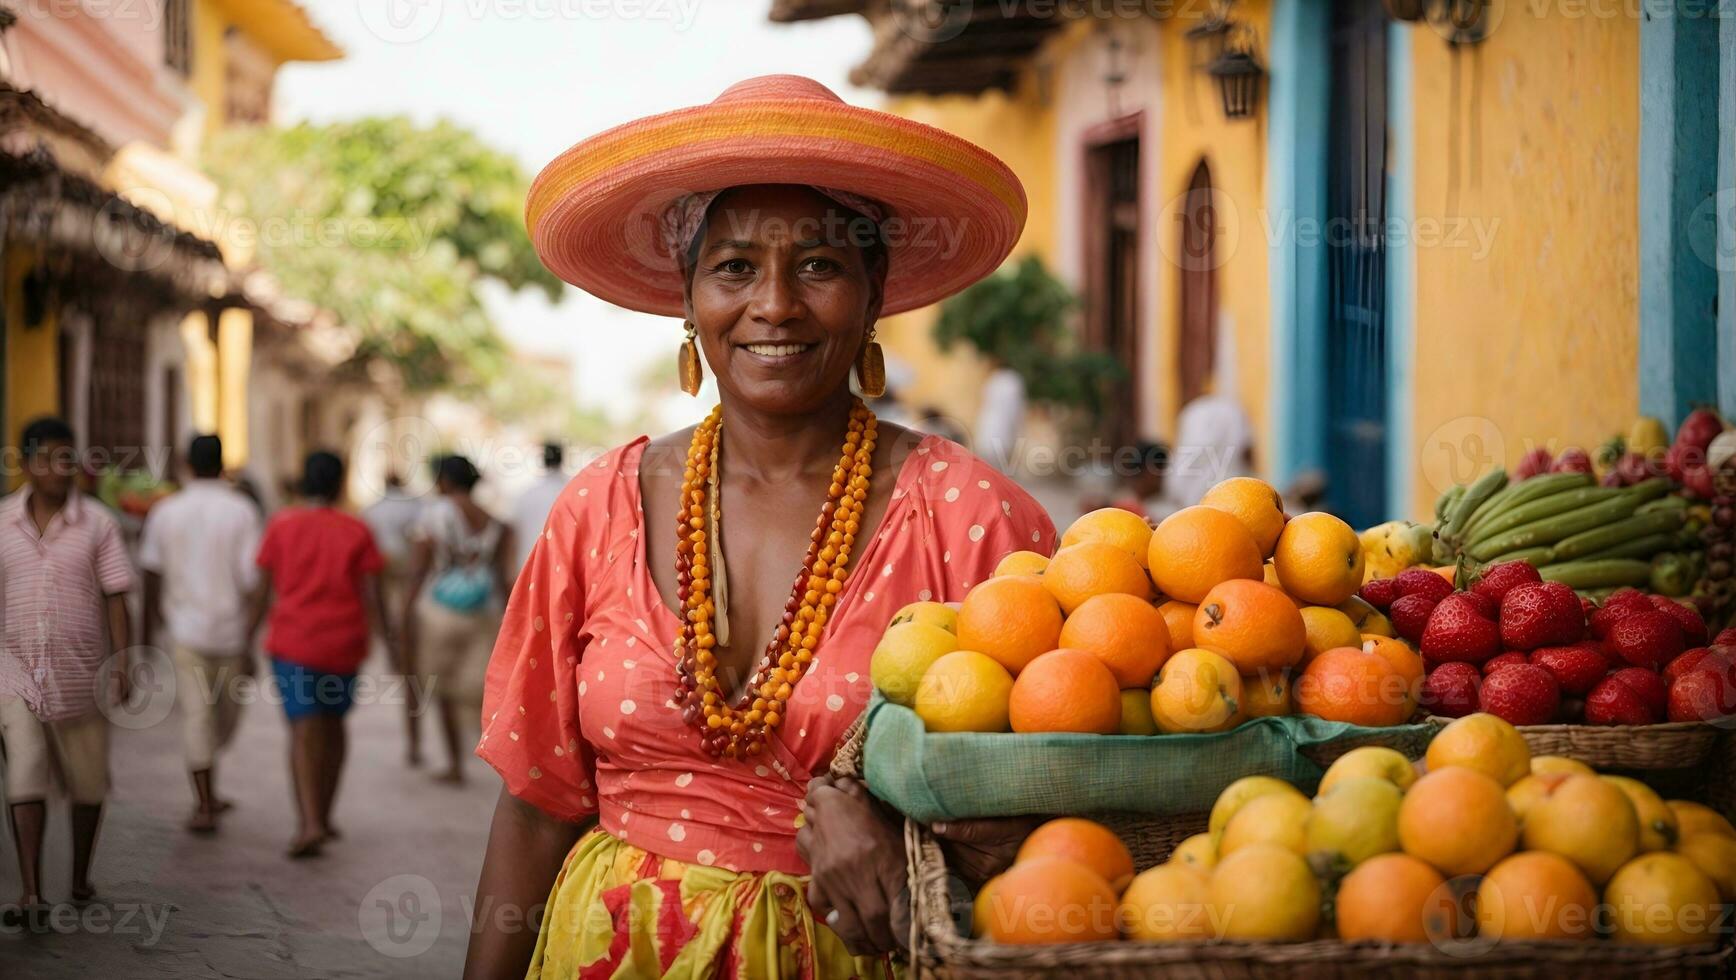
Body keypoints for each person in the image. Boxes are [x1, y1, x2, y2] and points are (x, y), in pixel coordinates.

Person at [464, 75, 1055, 979]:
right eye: (734, 266)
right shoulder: (598, 505)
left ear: (873, 292)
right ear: (689, 298)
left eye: (819, 264)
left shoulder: (973, 517)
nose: (774, 304)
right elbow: (538, 804)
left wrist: (893, 821)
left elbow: (1059, 801)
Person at [0, 417, 134, 925]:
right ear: (29, 464)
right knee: (25, 774)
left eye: (68, 459)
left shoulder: (99, 524)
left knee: (87, 785)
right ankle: (32, 892)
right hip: (12, 674)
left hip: (83, 677)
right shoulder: (1, 524)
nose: (62, 469)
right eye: (50, 459)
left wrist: (123, 663)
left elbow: (117, 597)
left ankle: (79, 876)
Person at [247, 451, 391, 858]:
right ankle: (323, 817)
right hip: (344, 643)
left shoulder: (282, 524)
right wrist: (391, 642)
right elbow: (373, 595)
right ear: (340, 483)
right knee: (332, 725)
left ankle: (309, 822)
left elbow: (263, 588)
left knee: (303, 730)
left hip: (293, 643)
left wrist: (246, 636)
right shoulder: (355, 529)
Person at [138, 433, 262, 834]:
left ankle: (207, 788)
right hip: (227, 631)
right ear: (222, 465)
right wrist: (252, 634)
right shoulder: (241, 511)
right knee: (213, 717)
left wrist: (147, 632)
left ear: (186, 465)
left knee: (204, 718)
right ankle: (205, 802)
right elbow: (254, 580)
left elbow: (150, 573)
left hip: (186, 628)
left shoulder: (165, 511)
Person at [401, 454, 512, 785]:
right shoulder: (496, 522)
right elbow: (503, 577)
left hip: (439, 612)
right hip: (483, 612)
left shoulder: (433, 514)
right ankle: (491, 754)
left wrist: (403, 616)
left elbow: (418, 570)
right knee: (475, 686)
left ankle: (454, 764)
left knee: (443, 687)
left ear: (444, 481)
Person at [361, 471, 426, 764]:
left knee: (409, 670)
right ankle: (415, 743)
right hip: (414, 587)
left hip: (388, 579)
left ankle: (414, 742)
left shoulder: (372, 511)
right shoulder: (419, 507)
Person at [509, 442, 567, 574]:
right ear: (562, 460)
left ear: (543, 460)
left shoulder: (525, 494)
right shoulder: (573, 492)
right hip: (560, 571)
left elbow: (512, 534)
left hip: (526, 567)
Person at [974, 354, 1027, 472]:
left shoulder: (995, 380)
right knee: (1002, 467)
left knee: (989, 467)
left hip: (989, 426)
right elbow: (1016, 407)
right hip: (1002, 427)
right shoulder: (1012, 380)